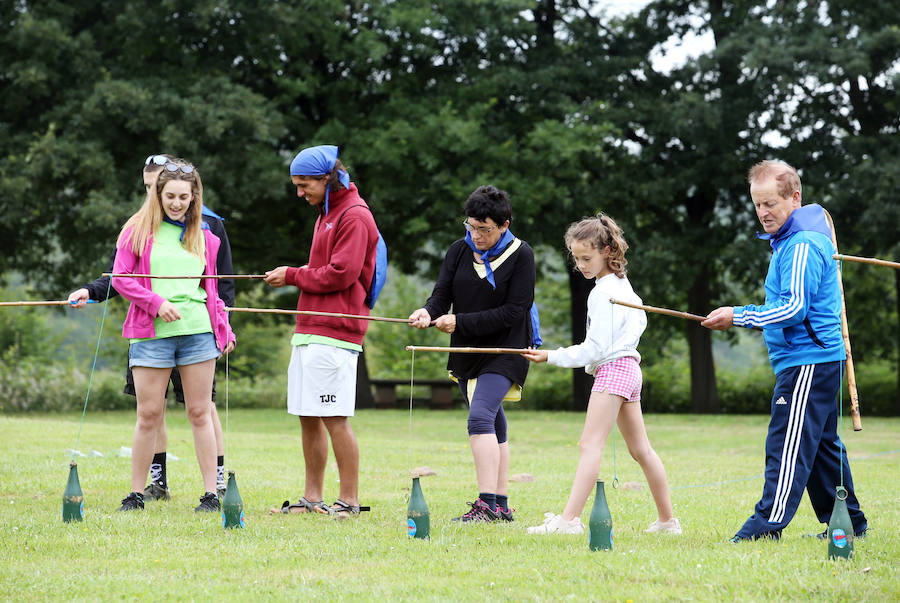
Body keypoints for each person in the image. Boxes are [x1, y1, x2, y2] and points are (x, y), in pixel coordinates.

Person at [703, 160, 867, 541]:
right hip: (816, 361)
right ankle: (848, 524)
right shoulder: (790, 241)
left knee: (787, 445)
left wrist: (738, 315)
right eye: (757, 205)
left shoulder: (802, 245)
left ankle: (765, 526)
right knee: (823, 449)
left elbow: (794, 308)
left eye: (770, 204)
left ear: (794, 198)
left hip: (808, 362)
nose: (762, 213)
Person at [69, 154, 235, 502]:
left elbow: (214, 291)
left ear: (194, 197)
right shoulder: (136, 230)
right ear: (157, 195)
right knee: (148, 414)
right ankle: (137, 494)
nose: (176, 203)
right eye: (169, 196)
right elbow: (121, 278)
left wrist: (225, 328)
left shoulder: (208, 236)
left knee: (200, 412)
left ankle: (211, 494)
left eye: (184, 197)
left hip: (198, 333)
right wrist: (156, 303)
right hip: (150, 334)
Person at [521, 214, 680, 535]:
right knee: (641, 450)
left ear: (607, 251)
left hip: (615, 370)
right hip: (630, 370)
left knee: (590, 444)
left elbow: (594, 350)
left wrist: (551, 355)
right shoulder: (622, 285)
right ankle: (667, 522)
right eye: (576, 258)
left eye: (587, 258)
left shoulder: (604, 293)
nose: (580, 265)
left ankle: (569, 521)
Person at [409, 185, 536, 523]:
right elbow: (442, 295)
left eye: (484, 229)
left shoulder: (522, 255)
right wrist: (427, 312)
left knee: (479, 417)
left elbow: (516, 310)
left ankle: (486, 504)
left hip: (506, 349)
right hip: (466, 350)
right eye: (471, 226)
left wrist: (460, 322)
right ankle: (501, 505)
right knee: (493, 422)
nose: (476, 235)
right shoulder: (459, 250)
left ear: (504, 225)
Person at [265, 145, 378, 519]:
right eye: (296, 185)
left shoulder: (354, 215)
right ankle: (311, 498)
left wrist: (292, 275)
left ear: (327, 179)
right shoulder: (326, 214)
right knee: (308, 414)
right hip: (309, 328)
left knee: (333, 417)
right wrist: (295, 275)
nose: (300, 193)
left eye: (304, 185)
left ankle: (349, 500)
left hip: (336, 331)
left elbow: (342, 273)